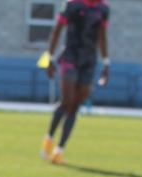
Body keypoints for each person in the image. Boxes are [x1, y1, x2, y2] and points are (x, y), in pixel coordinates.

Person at [40, 0, 110, 164]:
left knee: (75, 105)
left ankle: (60, 150)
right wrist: (50, 58)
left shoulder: (103, 8)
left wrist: (106, 63)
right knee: (66, 101)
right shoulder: (72, 5)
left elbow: (102, 36)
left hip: (89, 61)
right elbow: (57, 30)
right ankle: (48, 139)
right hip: (70, 56)